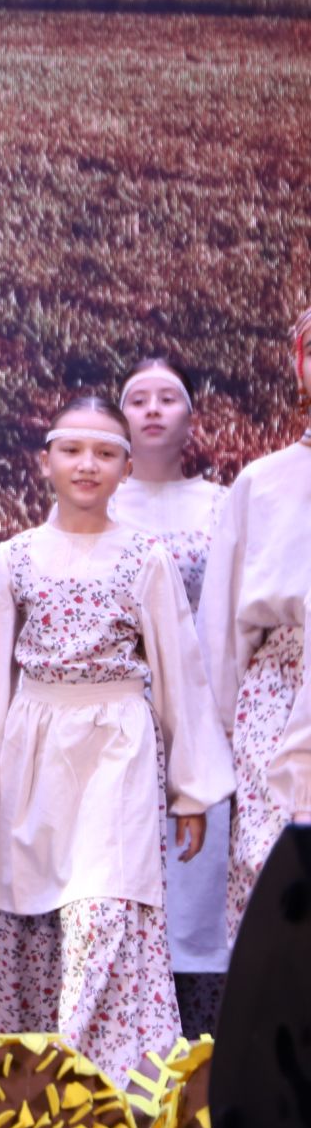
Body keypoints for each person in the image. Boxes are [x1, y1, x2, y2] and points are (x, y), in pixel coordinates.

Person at [0, 396, 235, 1081]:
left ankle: (105, 1083)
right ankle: (23, 1088)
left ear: (126, 468)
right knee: (24, 911)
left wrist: (191, 790)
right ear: (46, 462)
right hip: (33, 750)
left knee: (105, 906)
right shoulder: (17, 558)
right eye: (72, 450)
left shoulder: (144, 557)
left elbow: (179, 671)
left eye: (103, 453)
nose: (86, 465)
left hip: (117, 748)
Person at [110, 357, 232, 1033]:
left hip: (195, 716)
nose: (153, 410)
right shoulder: (93, 500)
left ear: (191, 416)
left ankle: (196, 1063)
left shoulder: (219, 505)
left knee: (195, 887)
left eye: (169, 398)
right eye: (138, 399)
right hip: (109, 717)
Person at [197, 308, 311, 950]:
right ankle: (274, 1042)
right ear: (299, 364)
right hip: (280, 686)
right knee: (272, 867)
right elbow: (221, 623)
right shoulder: (259, 483)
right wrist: (220, 739)